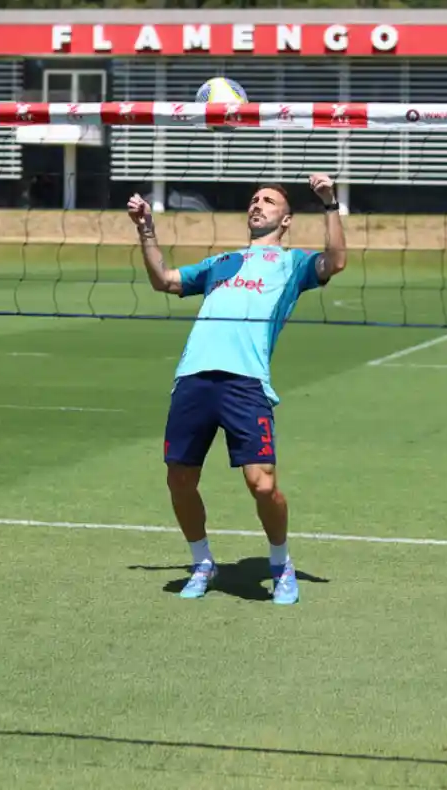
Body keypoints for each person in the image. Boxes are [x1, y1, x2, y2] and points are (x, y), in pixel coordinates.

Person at [128, 175, 346, 605]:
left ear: (286, 219)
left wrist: (330, 204)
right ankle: (202, 562)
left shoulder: (294, 264)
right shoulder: (221, 262)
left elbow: (335, 261)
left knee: (263, 485)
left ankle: (280, 564)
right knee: (179, 478)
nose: (257, 205)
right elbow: (165, 281)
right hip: (193, 377)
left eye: (268, 201)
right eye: (254, 199)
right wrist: (146, 229)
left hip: (246, 382)